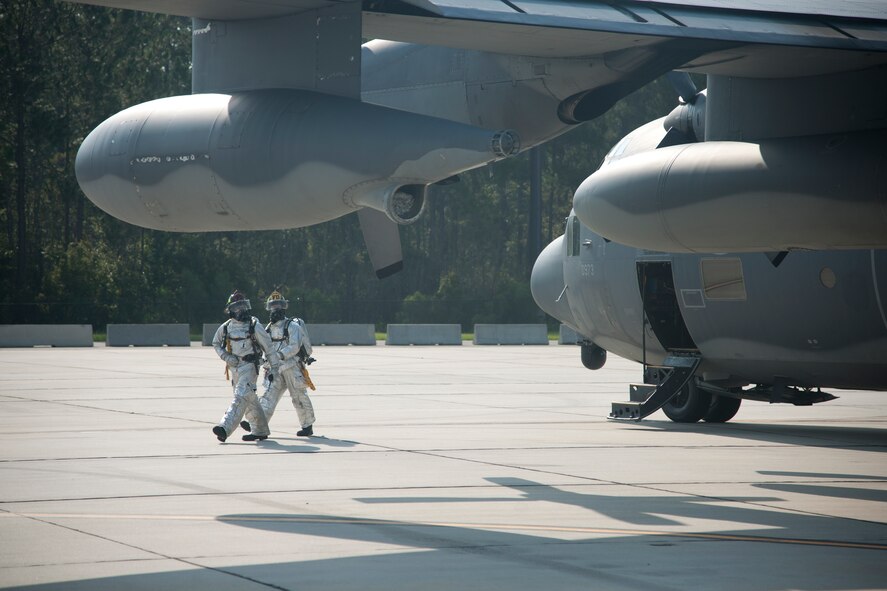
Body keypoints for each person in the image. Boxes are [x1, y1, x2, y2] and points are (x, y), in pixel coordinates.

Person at [241, 289, 317, 436]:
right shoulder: (267, 329)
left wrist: (279, 356)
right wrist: (262, 361)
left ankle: (307, 426)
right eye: (273, 306)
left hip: (292, 367)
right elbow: (264, 348)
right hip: (275, 369)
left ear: (284, 307)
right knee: (268, 397)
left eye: (278, 305)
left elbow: (294, 346)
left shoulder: (293, 326)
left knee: (299, 397)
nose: (275, 309)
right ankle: (256, 424)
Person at [211, 290, 278, 443]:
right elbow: (216, 343)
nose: (241, 310)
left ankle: (224, 428)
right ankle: (260, 430)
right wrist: (226, 357)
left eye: (243, 306)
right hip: (234, 368)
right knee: (249, 399)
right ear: (230, 310)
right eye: (237, 307)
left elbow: (268, 347)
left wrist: (273, 368)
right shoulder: (226, 327)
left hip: (250, 366)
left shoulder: (254, 325)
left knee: (240, 397)